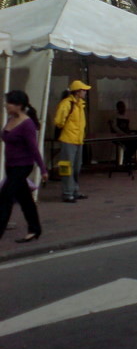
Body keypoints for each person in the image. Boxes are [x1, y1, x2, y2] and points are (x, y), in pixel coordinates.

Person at [0, 90, 45, 243]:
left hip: (23, 166)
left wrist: (42, 169)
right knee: (25, 198)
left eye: (9, 102)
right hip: (10, 165)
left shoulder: (27, 124)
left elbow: (34, 148)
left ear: (19, 105)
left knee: (5, 197)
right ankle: (35, 229)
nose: (6, 105)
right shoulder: (11, 119)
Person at [54, 79, 91, 203]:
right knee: (66, 167)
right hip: (68, 139)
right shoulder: (66, 104)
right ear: (77, 92)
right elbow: (59, 121)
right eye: (83, 90)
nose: (85, 92)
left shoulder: (80, 104)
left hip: (78, 140)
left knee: (76, 167)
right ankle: (67, 192)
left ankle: (74, 190)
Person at [109, 101, 137, 166]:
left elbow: (128, 127)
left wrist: (129, 133)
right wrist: (122, 133)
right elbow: (114, 127)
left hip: (127, 135)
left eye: (124, 107)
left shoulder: (126, 116)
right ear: (118, 108)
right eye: (121, 107)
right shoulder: (115, 117)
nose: (123, 108)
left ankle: (127, 155)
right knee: (129, 143)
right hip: (119, 136)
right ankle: (127, 157)